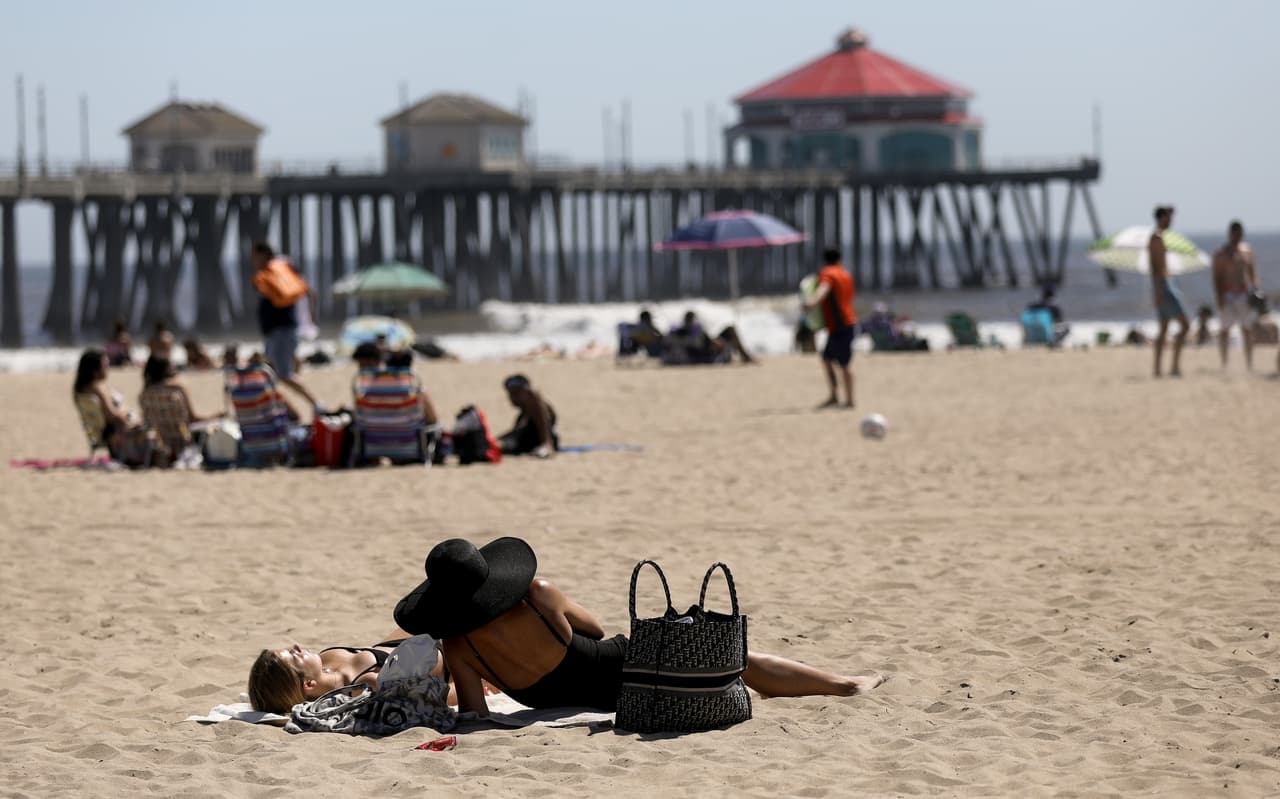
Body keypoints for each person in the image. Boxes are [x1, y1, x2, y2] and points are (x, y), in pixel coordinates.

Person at [393, 537, 886, 716]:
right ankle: (846, 685)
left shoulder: (459, 644)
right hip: (619, 668)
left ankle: (827, 685)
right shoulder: (538, 596)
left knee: (727, 672)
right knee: (733, 659)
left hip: (589, 701)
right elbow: (594, 628)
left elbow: (476, 713)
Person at [251, 242, 322, 409]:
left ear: (263, 255)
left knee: (282, 374)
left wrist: (311, 314)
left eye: (254, 256)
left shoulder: (275, 271)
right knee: (270, 373)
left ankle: (316, 404)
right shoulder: (274, 272)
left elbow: (305, 291)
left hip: (282, 331)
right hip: (275, 332)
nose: (253, 260)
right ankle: (279, 408)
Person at [72, 349, 167, 466]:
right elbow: (112, 415)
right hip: (119, 435)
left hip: (106, 435)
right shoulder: (98, 387)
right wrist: (130, 417)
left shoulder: (80, 390)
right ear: (95, 370)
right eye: (105, 366)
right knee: (154, 428)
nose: (108, 369)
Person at [803, 248, 857, 407]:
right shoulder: (846, 274)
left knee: (844, 364)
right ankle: (834, 396)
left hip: (841, 325)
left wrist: (811, 302)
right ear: (839, 259)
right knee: (826, 358)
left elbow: (824, 289)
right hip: (845, 323)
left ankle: (850, 400)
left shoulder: (827, 273)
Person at [139, 355, 223, 457]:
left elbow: (148, 423)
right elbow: (193, 419)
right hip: (184, 442)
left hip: (164, 444)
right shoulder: (177, 389)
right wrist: (216, 415)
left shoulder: (144, 394)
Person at [1212, 221, 1260, 371]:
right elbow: (1217, 277)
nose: (1238, 236)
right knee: (1225, 330)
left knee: (1247, 329)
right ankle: (1224, 363)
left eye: (1240, 234)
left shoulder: (1246, 251)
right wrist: (1219, 296)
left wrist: (1256, 288)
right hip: (1227, 294)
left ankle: (1249, 364)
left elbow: (1252, 272)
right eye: (1235, 233)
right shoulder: (1221, 253)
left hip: (1243, 294)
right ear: (1230, 234)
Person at [1149, 206, 1189, 378]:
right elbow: (1155, 269)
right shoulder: (1157, 238)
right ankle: (1173, 367)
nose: (1171, 221)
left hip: (1164, 285)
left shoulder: (1159, 237)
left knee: (1164, 328)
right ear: (1161, 218)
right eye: (1168, 217)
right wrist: (1158, 292)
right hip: (1164, 287)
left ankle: (1159, 369)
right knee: (1185, 325)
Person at [498, 374, 557, 458]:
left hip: (531, 443)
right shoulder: (525, 412)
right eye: (511, 393)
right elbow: (516, 433)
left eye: (516, 393)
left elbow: (540, 413)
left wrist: (547, 444)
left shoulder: (535, 405)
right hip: (523, 441)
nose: (513, 397)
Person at [665, 311, 756, 365]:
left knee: (729, 330)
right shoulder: (683, 332)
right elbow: (697, 345)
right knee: (730, 330)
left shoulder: (687, 330)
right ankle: (746, 357)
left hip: (706, 349)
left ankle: (745, 356)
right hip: (706, 352)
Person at [385, 349, 440, 426]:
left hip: (377, 433)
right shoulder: (417, 393)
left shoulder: (374, 391)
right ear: (410, 365)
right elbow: (432, 420)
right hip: (408, 433)